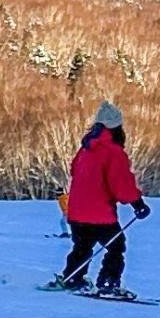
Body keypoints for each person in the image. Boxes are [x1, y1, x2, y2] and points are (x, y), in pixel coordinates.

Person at [55, 102, 148, 294]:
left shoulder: (85, 148)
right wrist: (138, 204)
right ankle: (107, 283)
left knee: (81, 247)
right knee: (116, 247)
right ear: (117, 127)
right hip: (99, 213)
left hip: (76, 211)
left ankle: (73, 277)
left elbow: (74, 171)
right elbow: (122, 186)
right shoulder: (114, 152)